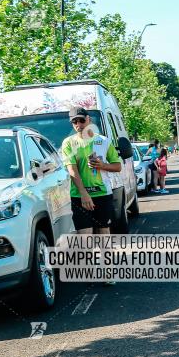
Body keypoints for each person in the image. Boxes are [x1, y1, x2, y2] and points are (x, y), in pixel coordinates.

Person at [61, 108, 122, 284]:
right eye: (74, 122)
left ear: (88, 120)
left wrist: (102, 165)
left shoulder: (103, 141)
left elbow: (117, 166)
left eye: (81, 120)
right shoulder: (68, 143)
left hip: (102, 193)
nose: (78, 125)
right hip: (80, 196)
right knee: (85, 236)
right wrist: (84, 194)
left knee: (103, 232)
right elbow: (72, 171)